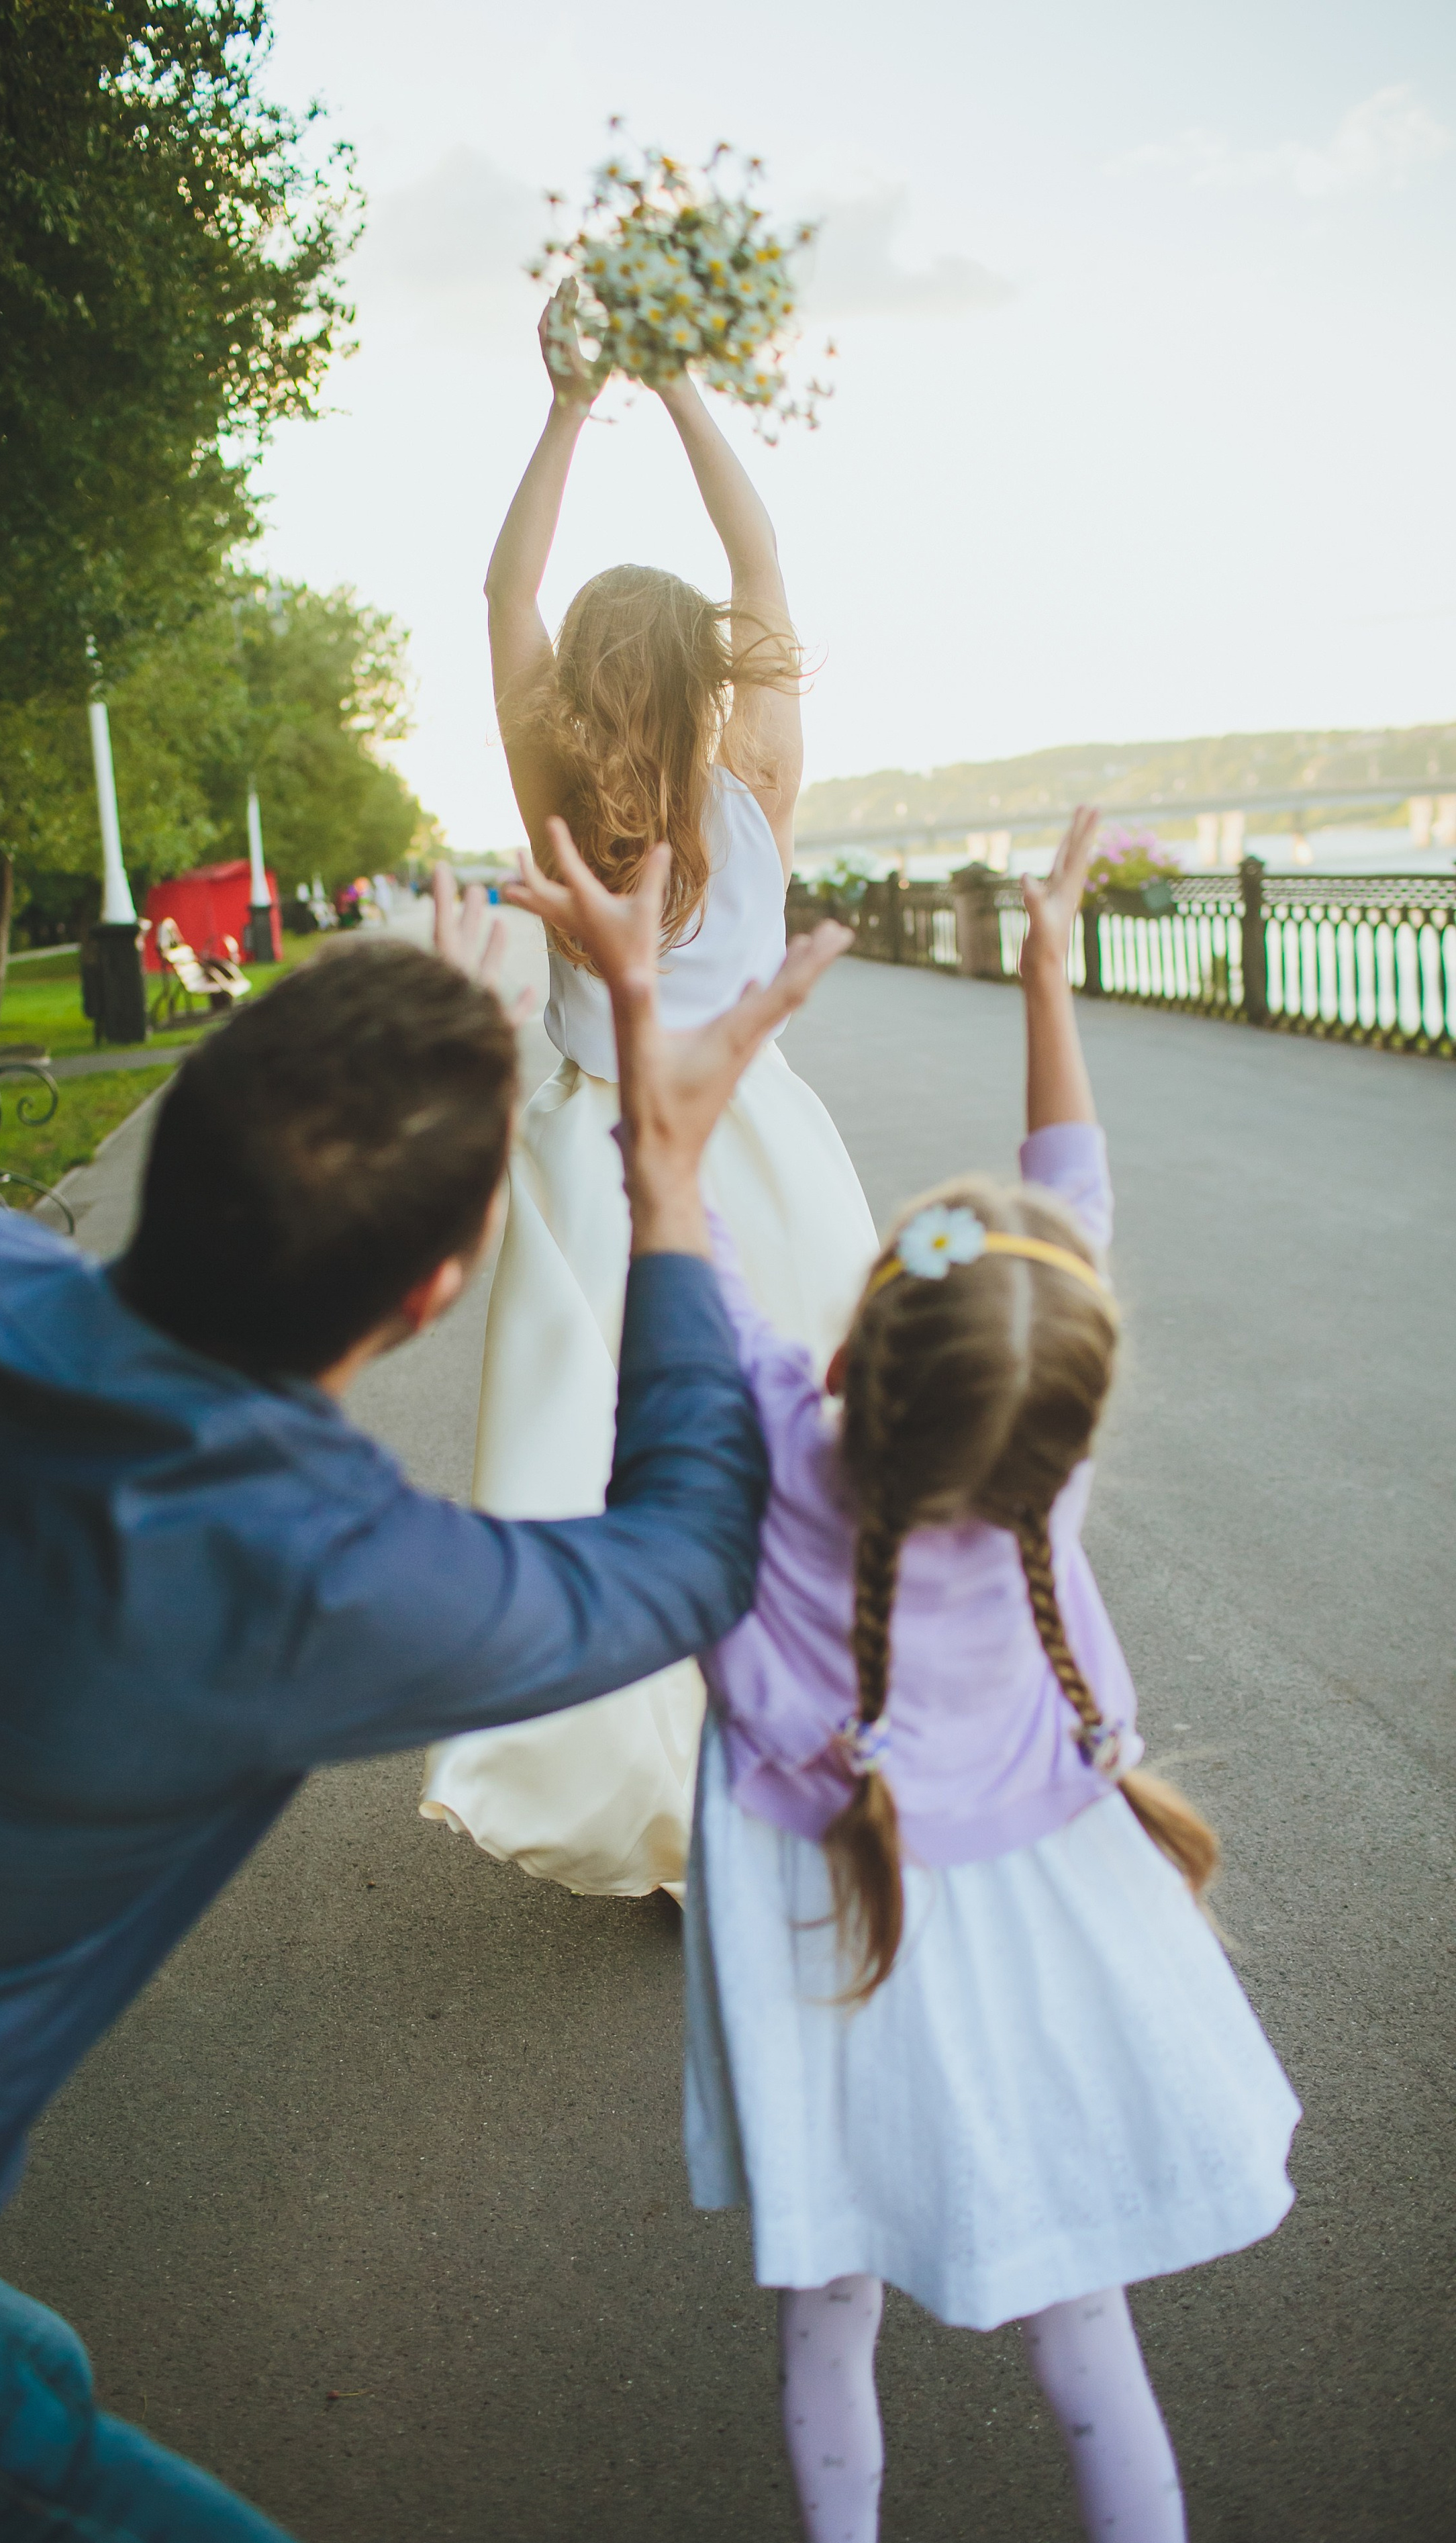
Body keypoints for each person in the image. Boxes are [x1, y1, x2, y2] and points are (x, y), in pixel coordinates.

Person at [0, 884, 848, 2543]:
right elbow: (687, 1553)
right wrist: (669, 1182)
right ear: (435, 1290)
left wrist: (364, 1033)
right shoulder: (300, 1565)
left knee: (41, 2368)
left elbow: (101, 1260)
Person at [642, 806, 1294, 2543]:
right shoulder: (1039, 1487)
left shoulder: (765, 1446)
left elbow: (672, 1221)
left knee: (828, 2316)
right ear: (1069, 1433)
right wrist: (1049, 966)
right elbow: (1068, 1197)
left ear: (849, 1346)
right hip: (1025, 1921)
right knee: (1087, 2342)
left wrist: (657, 1054)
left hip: (818, 1937)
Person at [420, 298, 878, 1903]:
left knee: (621, 1484)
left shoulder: (550, 785)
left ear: (584, 687)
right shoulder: (752, 776)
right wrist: (672, 380)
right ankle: (810, 1762)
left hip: (593, 1163)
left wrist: (563, 409)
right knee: (794, 1465)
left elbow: (502, 590)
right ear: (703, 669)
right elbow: (759, 572)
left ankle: (677, 1802)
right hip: (759, 1149)